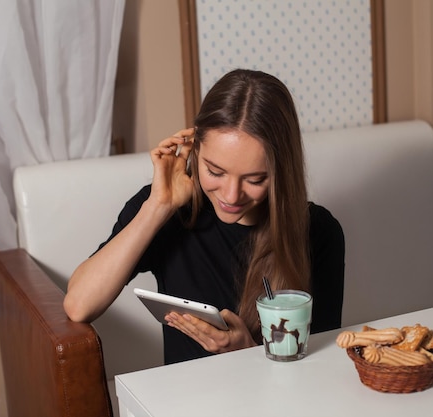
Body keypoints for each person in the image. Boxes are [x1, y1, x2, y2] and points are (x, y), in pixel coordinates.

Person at [64, 69, 345, 364]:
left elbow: (319, 364)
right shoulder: (167, 210)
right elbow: (79, 305)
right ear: (195, 149)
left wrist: (247, 351)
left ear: (280, 172)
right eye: (215, 171)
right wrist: (159, 206)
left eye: (255, 179)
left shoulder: (319, 231)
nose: (231, 195)